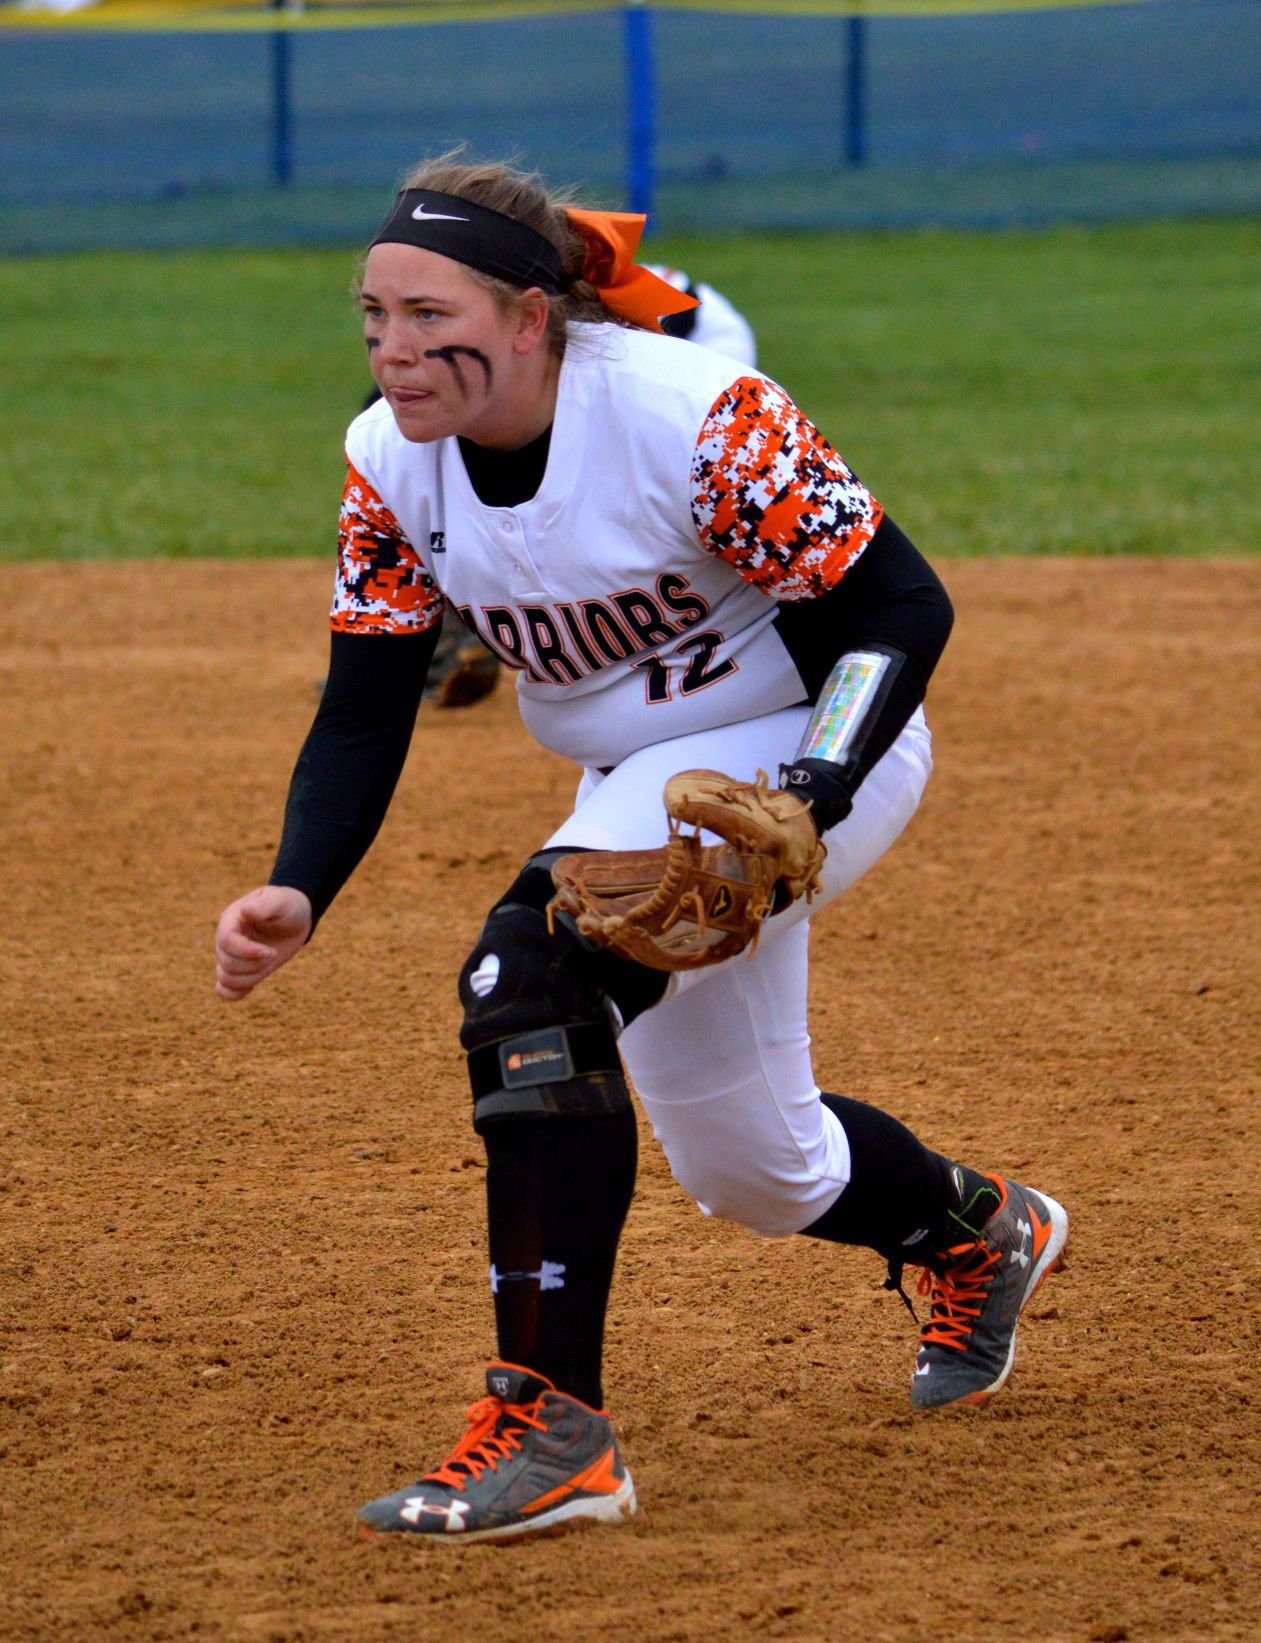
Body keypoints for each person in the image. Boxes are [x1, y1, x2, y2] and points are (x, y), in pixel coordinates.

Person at [213, 155, 1068, 1546]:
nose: (394, 347)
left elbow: (899, 608)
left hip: (811, 740)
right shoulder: (388, 457)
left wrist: (814, 784)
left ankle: (554, 1426)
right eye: (373, 314)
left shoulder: (690, 417)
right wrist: (298, 882)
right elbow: (366, 703)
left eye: (432, 316)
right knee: (754, 1168)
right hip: (645, 784)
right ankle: (972, 1230)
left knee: (530, 978)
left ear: (534, 316)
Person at [415, 259, 758, 708]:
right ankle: (480, 620)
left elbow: (673, 321)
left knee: (612, 488)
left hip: (707, 350)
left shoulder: (600, 295)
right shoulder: (498, 327)